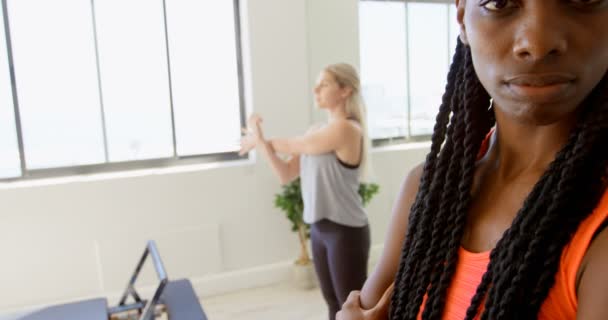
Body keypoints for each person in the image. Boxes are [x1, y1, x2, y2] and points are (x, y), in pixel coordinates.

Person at [337, 0, 608, 319]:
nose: (536, 43)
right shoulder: (426, 190)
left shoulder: (598, 231)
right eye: (500, 3)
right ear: (463, 16)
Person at [239, 63, 374, 320]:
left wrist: (261, 141)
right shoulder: (315, 131)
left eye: (324, 84)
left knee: (353, 310)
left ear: (345, 90)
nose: (316, 89)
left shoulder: (347, 129)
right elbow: (286, 174)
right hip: (319, 230)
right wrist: (262, 142)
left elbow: (293, 144)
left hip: (345, 231)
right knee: (333, 305)